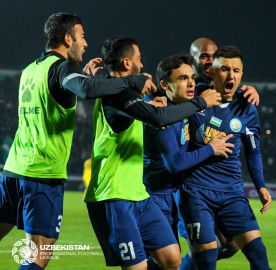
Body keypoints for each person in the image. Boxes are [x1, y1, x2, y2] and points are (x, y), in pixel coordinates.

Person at [0, 13, 148, 270]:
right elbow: (87, 90)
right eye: (82, 37)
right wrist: (133, 80)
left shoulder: (31, 69)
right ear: (68, 38)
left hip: (13, 169)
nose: (86, 43)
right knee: (38, 253)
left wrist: (86, 77)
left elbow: (66, 90)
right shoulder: (61, 67)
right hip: (41, 175)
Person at [84, 36, 222, 270]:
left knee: (172, 258)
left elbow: (153, 106)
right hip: (114, 195)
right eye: (139, 59)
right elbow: (158, 118)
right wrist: (200, 103)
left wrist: (152, 102)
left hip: (139, 195)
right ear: (127, 63)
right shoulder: (117, 95)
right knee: (137, 267)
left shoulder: (124, 91)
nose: (142, 64)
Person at [180, 46, 272, 270]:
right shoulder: (194, 96)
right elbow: (171, 86)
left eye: (237, 71)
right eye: (225, 69)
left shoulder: (247, 108)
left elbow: (253, 150)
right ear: (212, 72)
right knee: (207, 257)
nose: (231, 76)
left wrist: (260, 185)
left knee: (258, 254)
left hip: (231, 192)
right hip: (196, 191)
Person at [143, 54, 234, 240]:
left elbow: (217, 86)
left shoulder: (183, 108)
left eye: (192, 77)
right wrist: (211, 148)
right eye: (183, 79)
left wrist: (245, 91)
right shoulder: (162, 115)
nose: (192, 83)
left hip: (171, 196)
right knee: (166, 260)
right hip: (153, 198)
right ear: (165, 85)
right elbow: (175, 163)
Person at [190, 37, 259, 105]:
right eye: (204, 56)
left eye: (215, 57)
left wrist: (245, 92)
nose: (211, 61)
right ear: (191, 60)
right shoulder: (183, 90)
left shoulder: (224, 89)